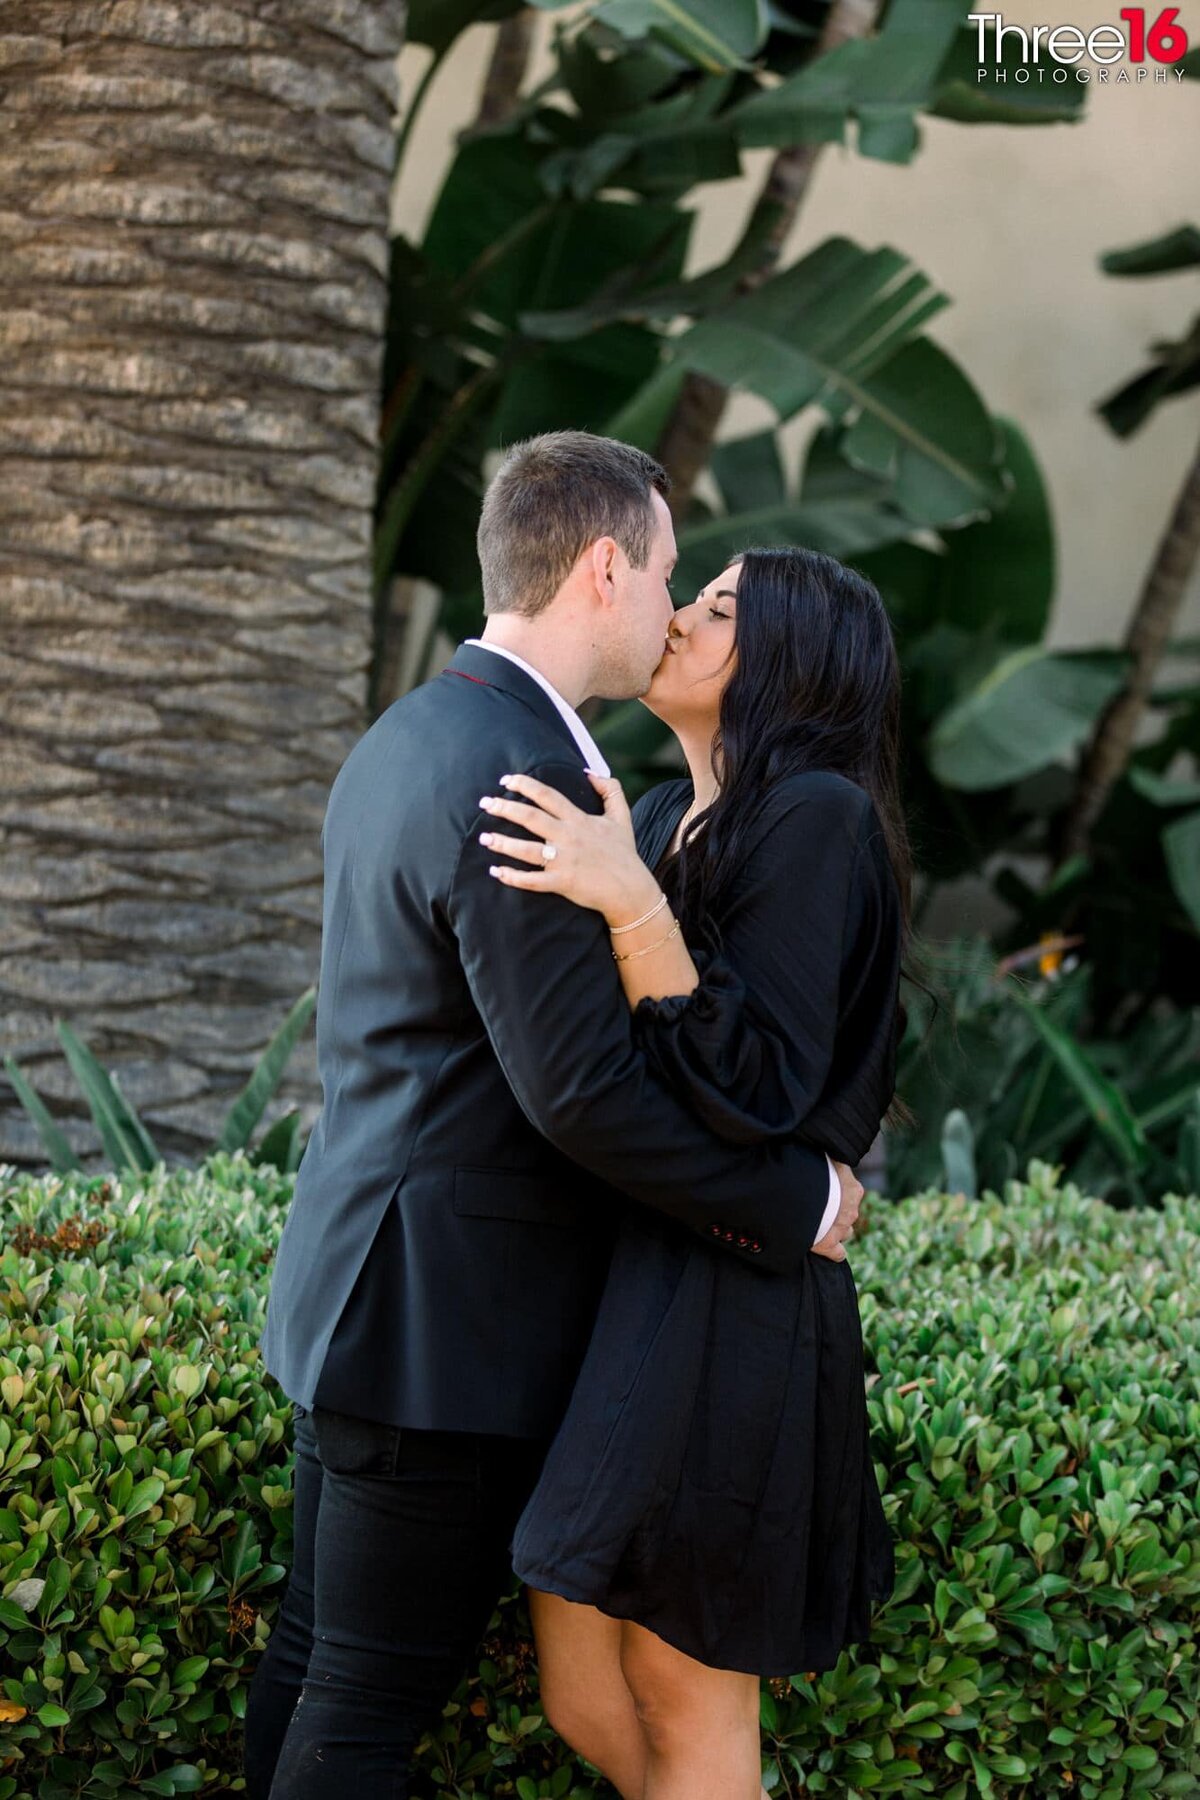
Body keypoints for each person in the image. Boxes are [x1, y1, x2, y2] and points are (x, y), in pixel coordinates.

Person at [243, 433, 864, 1800]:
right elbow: (582, 1093)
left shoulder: (418, 728)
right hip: (442, 1334)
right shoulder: (529, 773)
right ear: (604, 567)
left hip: (358, 1290)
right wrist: (799, 1205)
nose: (674, 607)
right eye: (669, 576)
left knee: (313, 1670)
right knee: (354, 1714)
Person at [475, 544, 907, 1800]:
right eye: (693, 592)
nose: (680, 619)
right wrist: (625, 878)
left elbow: (761, 1085)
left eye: (722, 610)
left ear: (791, 661)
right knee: (577, 1682)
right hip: (635, 1275)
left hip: (735, 1309)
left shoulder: (816, 815)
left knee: (683, 1694)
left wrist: (632, 908)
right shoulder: (659, 816)